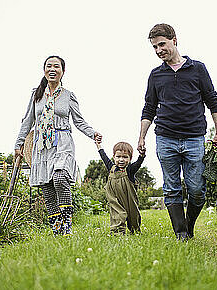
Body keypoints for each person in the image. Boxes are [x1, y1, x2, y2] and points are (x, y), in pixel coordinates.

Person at [138, 24, 217, 240]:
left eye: (162, 44)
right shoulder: (156, 75)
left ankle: (189, 225)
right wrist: (142, 136)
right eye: (155, 47)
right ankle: (181, 234)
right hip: (165, 137)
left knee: (196, 189)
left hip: (194, 137)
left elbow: (212, 100)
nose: (159, 51)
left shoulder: (197, 69)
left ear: (174, 40)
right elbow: (149, 107)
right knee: (171, 188)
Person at [15, 55, 102, 236]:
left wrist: (92, 133)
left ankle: (67, 225)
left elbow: (79, 121)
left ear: (63, 71)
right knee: (46, 186)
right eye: (49, 66)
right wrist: (19, 143)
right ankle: (57, 230)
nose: (52, 69)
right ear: (44, 70)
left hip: (62, 142)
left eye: (57, 66)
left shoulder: (68, 96)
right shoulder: (36, 95)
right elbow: (27, 121)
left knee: (60, 177)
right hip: (42, 146)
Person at [95, 140, 145, 235]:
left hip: (129, 199)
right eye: (118, 156)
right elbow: (104, 157)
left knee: (133, 216)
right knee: (118, 214)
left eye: (125, 157)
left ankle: (135, 231)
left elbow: (138, 164)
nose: (121, 160)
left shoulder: (130, 170)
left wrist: (141, 156)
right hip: (115, 198)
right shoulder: (111, 168)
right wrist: (99, 146)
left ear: (130, 159)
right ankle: (117, 233)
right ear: (114, 157)